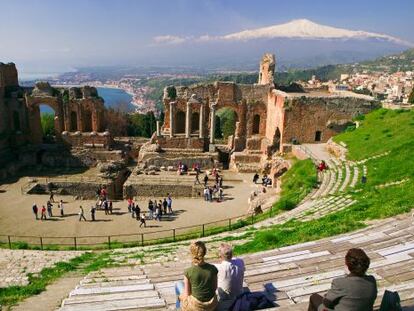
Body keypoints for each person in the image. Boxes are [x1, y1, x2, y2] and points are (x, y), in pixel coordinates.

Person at [308, 248, 377, 311]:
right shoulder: (372, 281)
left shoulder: (340, 283)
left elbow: (327, 303)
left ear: (347, 264)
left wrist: (328, 296)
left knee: (314, 297)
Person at [176, 241, 218, 311]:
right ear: (204, 252)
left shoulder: (188, 271)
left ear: (192, 254)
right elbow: (215, 287)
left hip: (196, 306)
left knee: (178, 285)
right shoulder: (213, 268)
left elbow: (187, 294)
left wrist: (180, 297)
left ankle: (178, 308)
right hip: (211, 305)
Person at [215, 244, 245, 311]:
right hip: (239, 295)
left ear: (220, 255)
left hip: (224, 298)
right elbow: (235, 259)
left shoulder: (218, 267)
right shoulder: (240, 262)